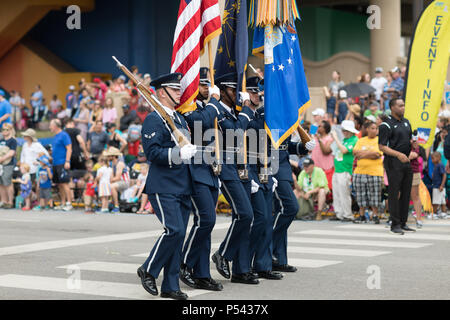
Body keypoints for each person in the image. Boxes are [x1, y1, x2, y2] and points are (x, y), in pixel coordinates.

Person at [137, 72, 197, 300]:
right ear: (161, 92)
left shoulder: (179, 119)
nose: (179, 92)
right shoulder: (154, 119)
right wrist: (178, 152)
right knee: (175, 230)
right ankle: (149, 269)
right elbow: (152, 153)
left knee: (178, 237)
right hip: (163, 185)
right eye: (174, 89)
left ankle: (171, 286)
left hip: (183, 185)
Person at [177, 67, 225, 290]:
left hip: (210, 170)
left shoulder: (206, 107)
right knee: (206, 220)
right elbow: (202, 122)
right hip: (194, 171)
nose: (207, 88)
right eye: (203, 84)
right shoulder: (188, 108)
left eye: (208, 85)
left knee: (205, 225)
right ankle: (184, 262)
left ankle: (202, 273)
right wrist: (215, 99)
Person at [207, 72, 257, 285]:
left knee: (246, 216)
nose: (237, 94)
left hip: (238, 168)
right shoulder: (218, 111)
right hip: (224, 169)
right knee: (244, 214)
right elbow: (236, 135)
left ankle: (237, 264)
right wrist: (246, 108)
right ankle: (223, 254)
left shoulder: (232, 113)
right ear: (223, 90)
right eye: (232, 89)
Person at [245, 77, 283, 280]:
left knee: (267, 220)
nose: (257, 96)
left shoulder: (264, 115)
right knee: (255, 220)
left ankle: (263, 265)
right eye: (253, 92)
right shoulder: (251, 115)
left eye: (258, 93)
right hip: (250, 170)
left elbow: (268, 145)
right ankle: (242, 263)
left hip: (265, 169)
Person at [378, 98, 415, 234]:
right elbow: (381, 146)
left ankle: (403, 222)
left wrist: (413, 146)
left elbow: (408, 140)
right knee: (394, 193)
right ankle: (395, 224)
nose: (403, 108)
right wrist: (398, 154)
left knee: (406, 192)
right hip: (393, 161)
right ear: (392, 107)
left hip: (406, 161)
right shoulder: (385, 125)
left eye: (404, 105)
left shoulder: (406, 122)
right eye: (400, 106)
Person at [352, 121, 383, 224]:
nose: (375, 130)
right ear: (367, 129)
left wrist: (363, 154)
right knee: (360, 194)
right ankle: (362, 215)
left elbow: (377, 154)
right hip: (359, 171)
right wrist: (370, 154)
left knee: (375, 194)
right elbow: (355, 153)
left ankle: (375, 215)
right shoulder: (361, 140)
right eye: (373, 128)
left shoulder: (380, 140)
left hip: (375, 172)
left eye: (376, 129)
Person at [330, 120, 359, 221]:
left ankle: (347, 214)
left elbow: (344, 150)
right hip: (337, 169)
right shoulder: (344, 140)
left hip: (345, 170)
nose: (344, 132)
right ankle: (339, 213)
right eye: (343, 130)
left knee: (344, 193)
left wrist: (336, 138)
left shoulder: (354, 139)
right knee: (337, 193)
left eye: (346, 130)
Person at [49, 119, 73, 211]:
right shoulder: (55, 136)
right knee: (59, 184)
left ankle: (69, 203)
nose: (50, 127)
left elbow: (69, 148)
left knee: (65, 183)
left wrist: (67, 161)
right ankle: (63, 203)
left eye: (51, 125)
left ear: (55, 126)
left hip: (62, 162)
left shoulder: (64, 135)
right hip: (55, 163)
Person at [310, 120, 334, 192]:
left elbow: (326, 151)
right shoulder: (315, 138)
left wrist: (319, 140)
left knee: (325, 190)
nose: (317, 127)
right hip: (315, 170)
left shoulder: (330, 139)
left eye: (320, 126)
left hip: (325, 170)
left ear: (325, 129)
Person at [106, 147, 129, 213]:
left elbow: (118, 178)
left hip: (124, 182)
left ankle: (116, 206)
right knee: (105, 184)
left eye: (108, 155)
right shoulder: (112, 164)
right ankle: (106, 205)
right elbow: (112, 177)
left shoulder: (120, 164)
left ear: (113, 156)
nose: (107, 157)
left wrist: (109, 181)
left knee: (112, 186)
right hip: (118, 181)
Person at [409, 132, 425, 228]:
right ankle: (399, 219)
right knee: (401, 195)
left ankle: (419, 219)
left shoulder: (416, 145)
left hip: (414, 172)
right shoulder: (402, 142)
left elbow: (412, 155)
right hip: (402, 171)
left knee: (415, 196)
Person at [0, 123, 17, 208]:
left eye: (6, 129)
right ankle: (3, 201)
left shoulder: (12, 141)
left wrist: (2, 159)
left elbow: (12, 152)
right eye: (3, 129)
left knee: (8, 183)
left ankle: (10, 201)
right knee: (1, 183)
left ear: (10, 130)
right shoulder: (1, 140)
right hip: (0, 165)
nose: (4, 131)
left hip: (8, 164)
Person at [431, 152, 447, 219]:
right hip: (438, 186)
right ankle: (443, 213)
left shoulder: (440, 165)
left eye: (433, 158)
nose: (432, 160)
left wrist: (441, 185)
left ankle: (434, 214)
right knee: (442, 200)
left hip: (438, 186)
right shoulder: (437, 165)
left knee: (435, 201)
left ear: (438, 158)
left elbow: (444, 175)